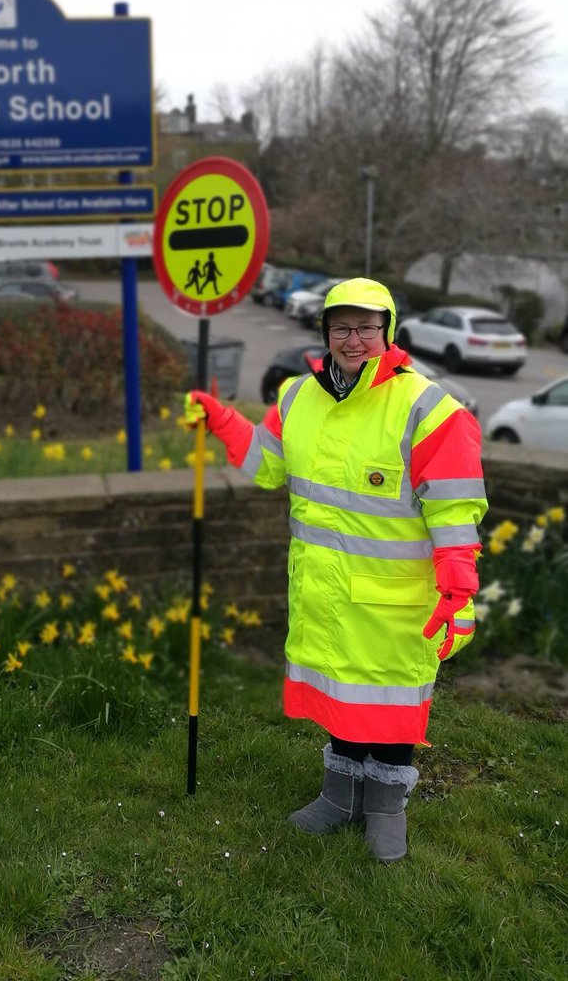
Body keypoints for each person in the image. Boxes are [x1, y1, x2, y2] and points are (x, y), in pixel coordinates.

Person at [186, 277, 486, 862]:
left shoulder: (427, 407)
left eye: (367, 328)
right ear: (325, 332)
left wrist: (458, 584)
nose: (354, 340)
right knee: (340, 697)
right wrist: (223, 420)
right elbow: (270, 465)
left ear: (388, 332)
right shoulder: (299, 397)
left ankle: (385, 808)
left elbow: (454, 507)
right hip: (324, 592)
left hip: (396, 604)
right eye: (342, 327)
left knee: (394, 708)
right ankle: (340, 795)